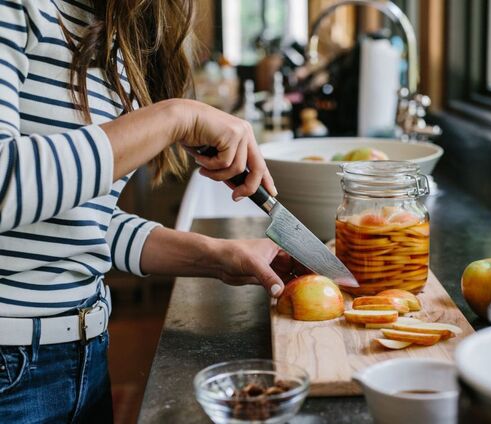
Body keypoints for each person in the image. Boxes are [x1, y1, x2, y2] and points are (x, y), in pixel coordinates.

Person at [0, 1, 293, 422]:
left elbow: (82, 221)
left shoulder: (112, 31)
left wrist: (216, 256)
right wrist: (174, 117)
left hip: (84, 356)